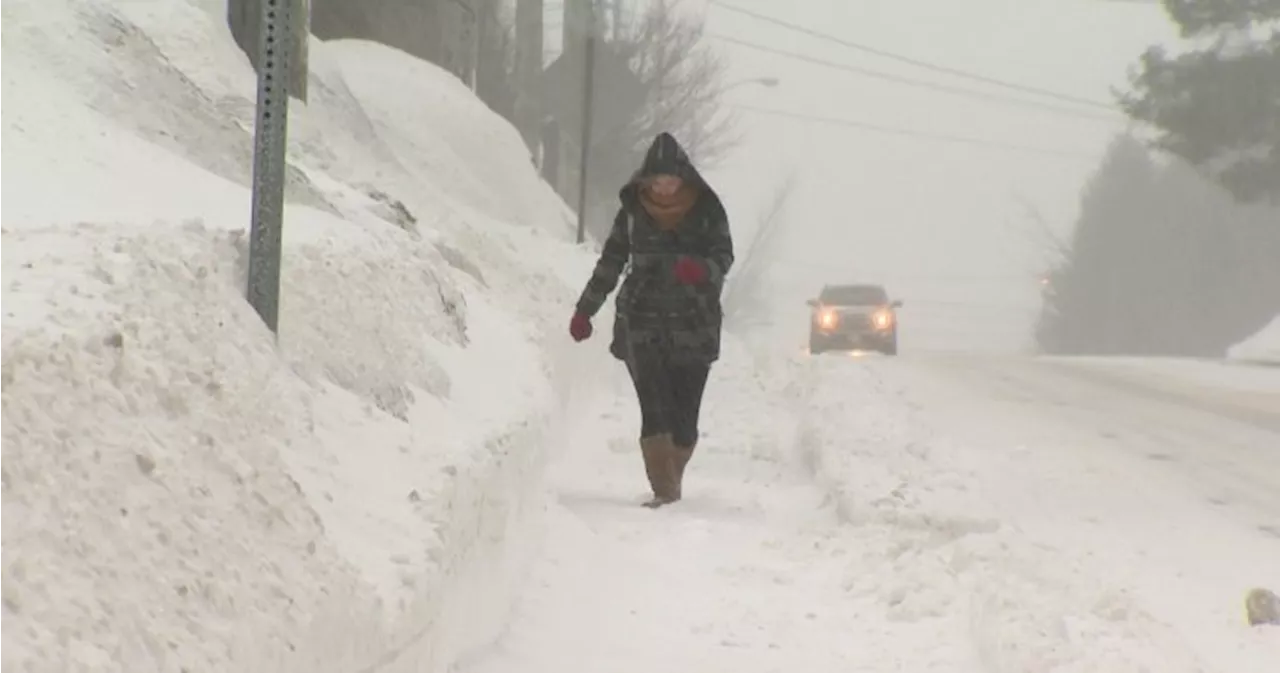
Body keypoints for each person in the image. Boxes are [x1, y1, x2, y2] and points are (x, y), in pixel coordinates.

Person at [568, 132, 734, 508]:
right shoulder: (632, 212)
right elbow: (611, 261)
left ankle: (673, 469)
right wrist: (585, 310)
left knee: (684, 418)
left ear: (684, 179)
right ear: (646, 180)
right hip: (642, 321)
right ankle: (665, 489)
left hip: (695, 325)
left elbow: (724, 257)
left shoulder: (707, 211)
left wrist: (701, 270)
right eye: (656, 181)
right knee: (654, 407)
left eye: (670, 181)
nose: (662, 189)